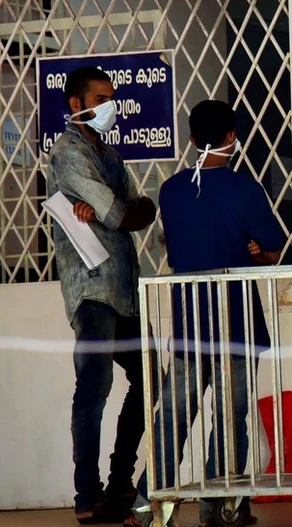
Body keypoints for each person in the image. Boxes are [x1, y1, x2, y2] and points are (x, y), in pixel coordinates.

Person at [127, 100, 284, 527]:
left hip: (189, 322)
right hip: (236, 322)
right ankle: (220, 505)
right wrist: (254, 251)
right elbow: (271, 247)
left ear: (193, 139)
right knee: (231, 417)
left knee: (174, 415)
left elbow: (177, 251)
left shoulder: (172, 190)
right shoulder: (246, 190)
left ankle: (146, 504)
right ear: (232, 137)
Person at [47, 66, 157, 525]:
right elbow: (121, 214)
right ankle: (87, 496)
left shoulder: (108, 153)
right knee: (93, 390)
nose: (111, 106)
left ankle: (119, 483)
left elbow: (143, 209)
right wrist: (118, 209)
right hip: (92, 288)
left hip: (122, 288)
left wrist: (119, 209)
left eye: (112, 97)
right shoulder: (69, 152)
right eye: (102, 97)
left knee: (150, 378)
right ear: (77, 103)